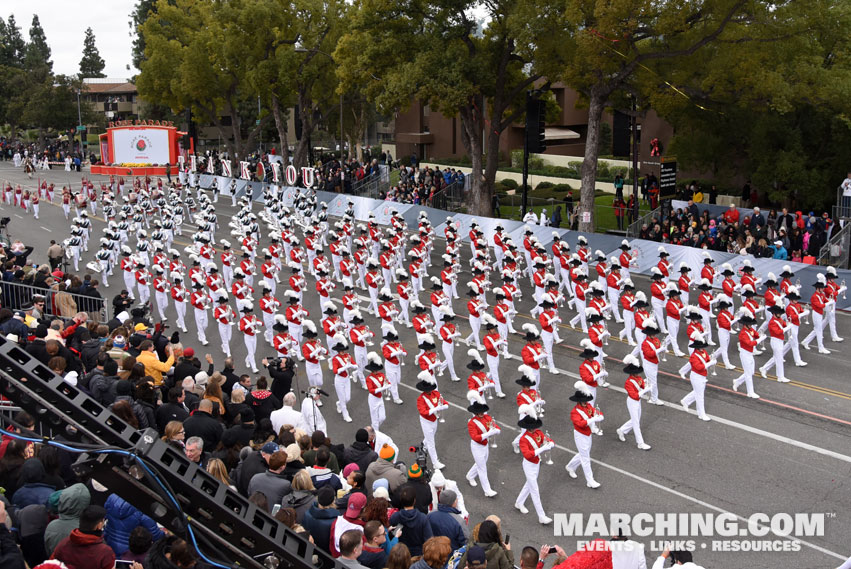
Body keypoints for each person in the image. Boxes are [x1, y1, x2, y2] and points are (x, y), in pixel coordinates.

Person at [51, 505, 116, 569]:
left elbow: (50, 565)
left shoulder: (63, 544)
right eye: (103, 521)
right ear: (99, 525)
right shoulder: (105, 552)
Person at [389, 486, 432, 557]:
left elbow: (391, 536)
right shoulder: (423, 518)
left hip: (400, 554)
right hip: (418, 556)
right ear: (414, 500)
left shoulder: (395, 517)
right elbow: (429, 540)